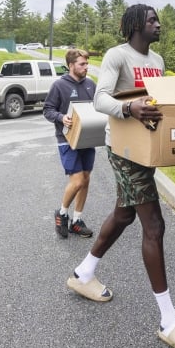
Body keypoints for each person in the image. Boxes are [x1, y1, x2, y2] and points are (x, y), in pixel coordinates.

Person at [65, 4, 175, 348]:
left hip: (146, 150)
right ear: (134, 26)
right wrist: (129, 108)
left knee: (124, 213)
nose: (158, 24)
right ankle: (168, 320)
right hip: (124, 151)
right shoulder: (118, 56)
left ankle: (84, 274)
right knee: (154, 225)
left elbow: (157, 100)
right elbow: (101, 98)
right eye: (151, 20)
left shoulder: (157, 61)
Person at [43, 49, 97, 238]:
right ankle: (62, 212)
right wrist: (61, 117)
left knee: (86, 179)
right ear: (71, 65)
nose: (86, 67)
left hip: (87, 139)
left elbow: (98, 107)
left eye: (86, 63)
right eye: (82, 64)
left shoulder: (91, 84)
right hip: (66, 140)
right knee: (77, 180)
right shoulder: (59, 85)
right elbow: (48, 110)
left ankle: (77, 220)